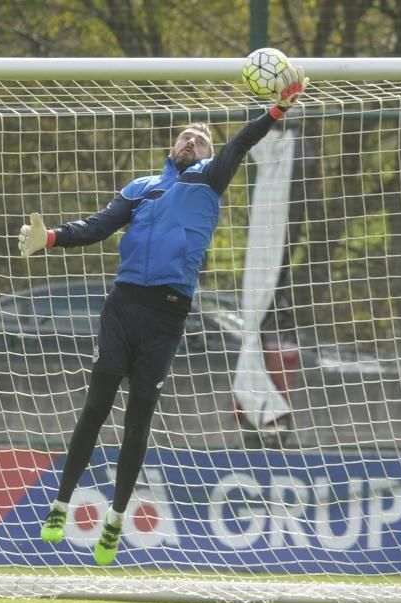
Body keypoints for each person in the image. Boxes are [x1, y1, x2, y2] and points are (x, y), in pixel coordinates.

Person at [17, 57, 310, 566]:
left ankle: (114, 519)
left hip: (167, 315)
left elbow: (241, 143)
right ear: (171, 146)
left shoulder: (211, 180)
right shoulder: (142, 187)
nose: (193, 139)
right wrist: (51, 237)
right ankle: (61, 505)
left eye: (201, 137)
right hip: (123, 304)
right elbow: (98, 226)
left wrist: (276, 109)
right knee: (96, 405)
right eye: (186, 135)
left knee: (138, 417)